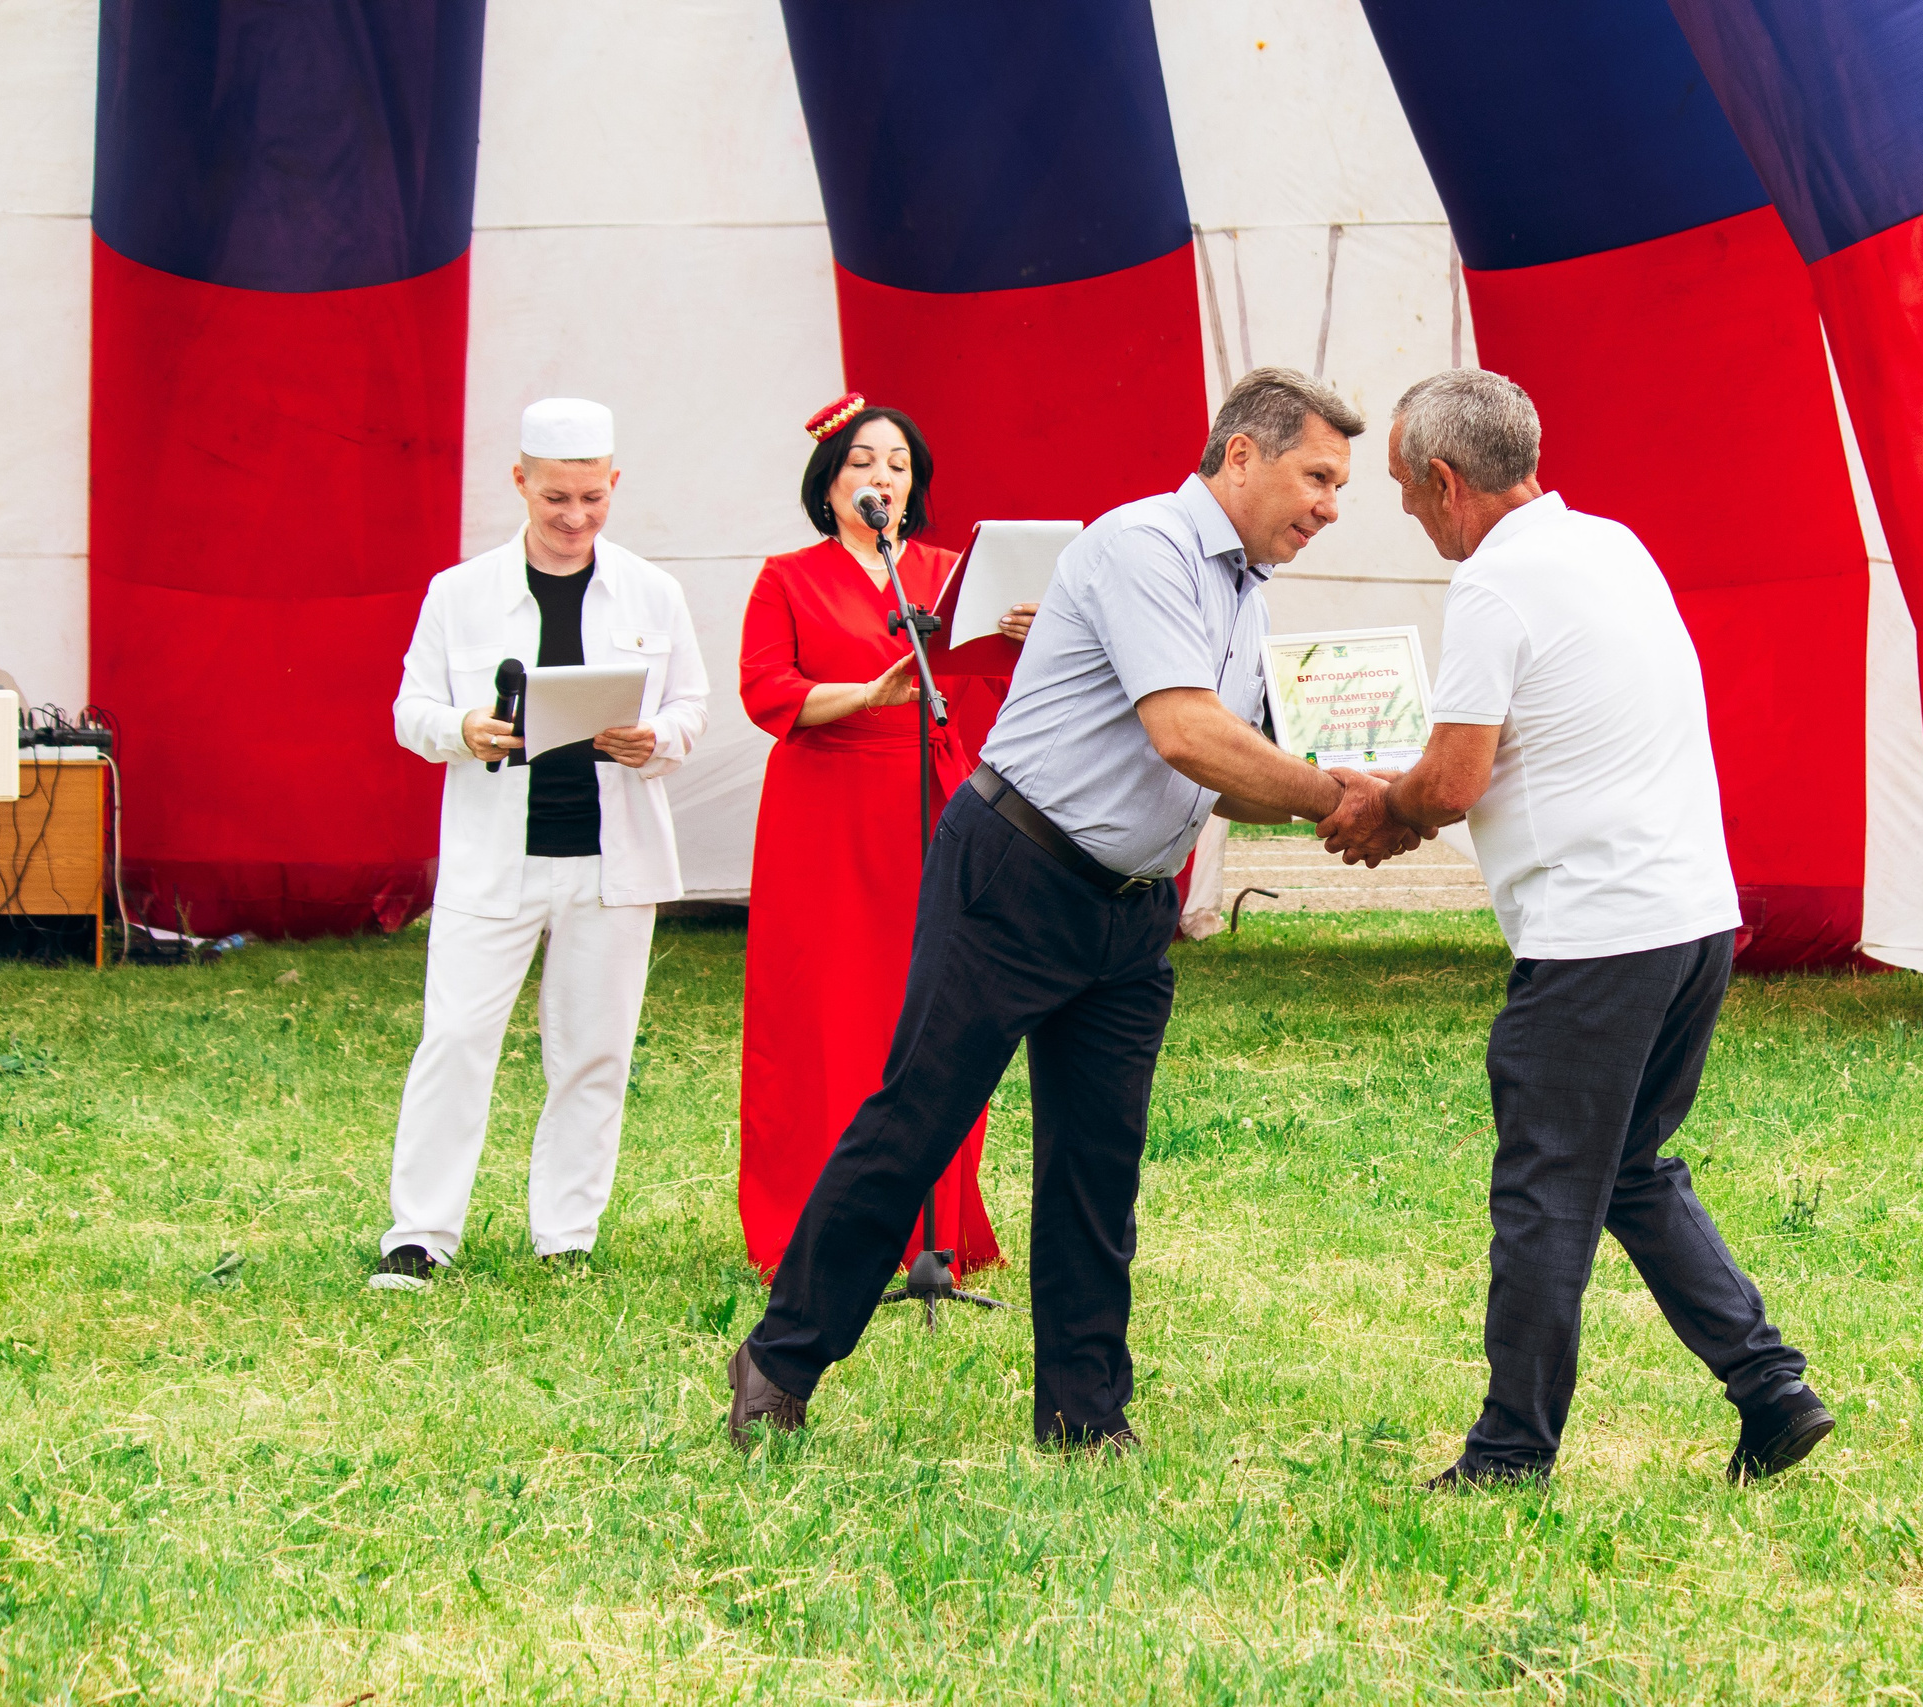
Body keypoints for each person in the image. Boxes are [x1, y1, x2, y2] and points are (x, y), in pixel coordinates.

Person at [725, 367, 1413, 1451]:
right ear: (1242, 455)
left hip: (1130, 910)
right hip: (1018, 871)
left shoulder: (1246, 588)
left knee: (1099, 1162)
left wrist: (1371, 806)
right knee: (916, 1123)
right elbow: (1186, 732)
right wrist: (1346, 800)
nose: (1332, 504)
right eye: (1318, 476)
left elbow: (1219, 778)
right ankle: (780, 1356)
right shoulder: (1143, 546)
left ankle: (1083, 1413)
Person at [1332, 369, 1832, 1487]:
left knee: (1546, 1195)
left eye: (1409, 494)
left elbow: (1455, 779)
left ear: (1448, 482)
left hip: (1593, 935)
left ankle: (1510, 1452)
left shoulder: (1494, 590)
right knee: (1630, 1173)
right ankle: (1770, 1388)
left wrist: (1379, 808)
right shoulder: (1615, 547)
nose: (1411, 518)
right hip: (1692, 915)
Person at [378, 398, 710, 1289]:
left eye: (593, 500)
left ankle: (567, 1233)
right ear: (519, 482)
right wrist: (466, 726)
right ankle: (420, 1233)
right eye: (557, 498)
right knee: (454, 1038)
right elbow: (410, 712)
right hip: (495, 855)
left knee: (595, 1050)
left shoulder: (653, 590)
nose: (574, 518)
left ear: (614, 485)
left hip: (611, 859)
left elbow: (690, 706)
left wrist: (658, 740)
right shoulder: (459, 591)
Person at [737, 393, 1034, 1282]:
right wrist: (869, 694)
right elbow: (767, 694)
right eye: (864, 462)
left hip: (935, 797)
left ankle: (935, 1221)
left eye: (899, 467)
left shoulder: (948, 573)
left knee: (940, 1004)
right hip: (824, 813)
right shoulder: (786, 575)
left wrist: (1021, 636)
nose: (882, 479)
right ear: (830, 483)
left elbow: (996, 687)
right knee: (829, 1008)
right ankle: (818, 1218)